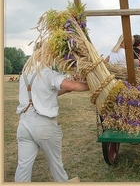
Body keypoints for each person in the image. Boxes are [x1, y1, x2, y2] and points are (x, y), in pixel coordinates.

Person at [15, 43, 90, 182]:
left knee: (23, 166)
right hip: (44, 125)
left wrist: (67, 89)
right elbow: (73, 85)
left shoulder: (26, 72)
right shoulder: (48, 73)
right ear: (47, 54)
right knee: (56, 165)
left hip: (24, 124)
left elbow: (44, 94)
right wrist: (92, 84)